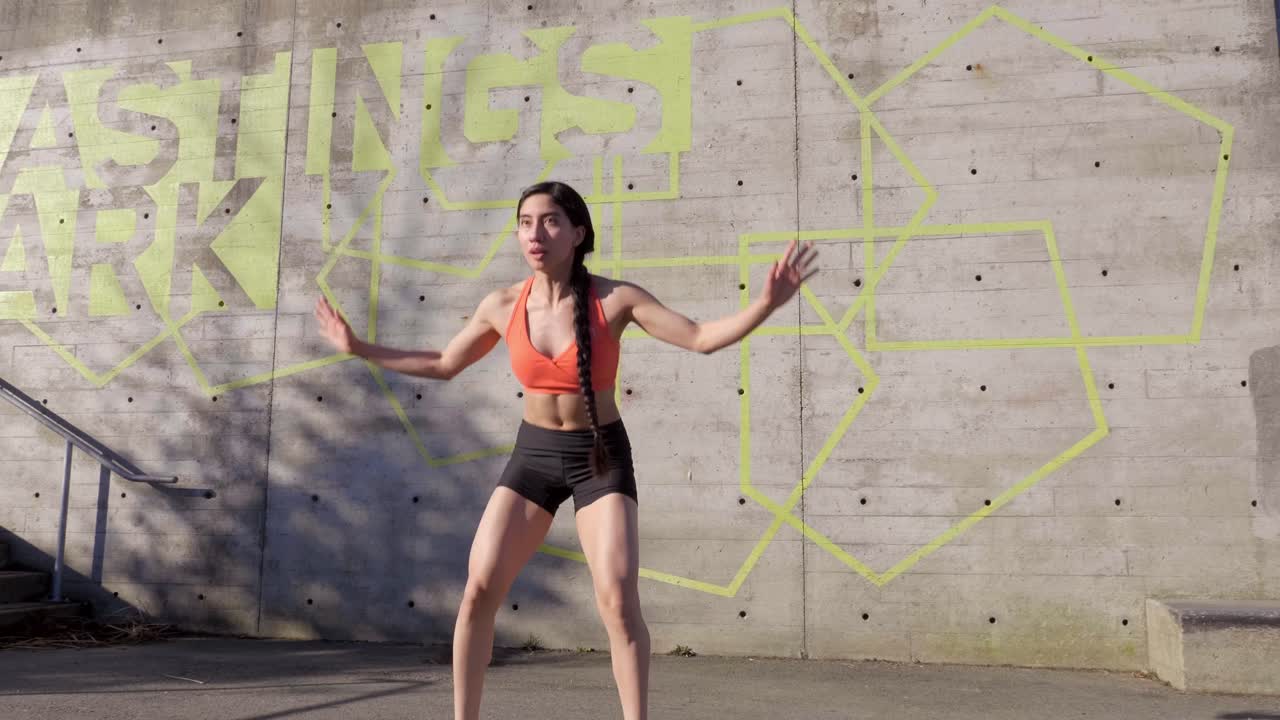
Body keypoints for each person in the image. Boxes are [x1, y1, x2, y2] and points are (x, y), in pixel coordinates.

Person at [314, 181, 817, 720]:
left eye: (551, 221)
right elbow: (443, 363)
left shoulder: (614, 300)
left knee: (619, 603)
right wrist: (358, 347)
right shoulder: (502, 304)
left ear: (578, 233)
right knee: (479, 589)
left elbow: (698, 337)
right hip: (533, 457)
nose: (537, 233)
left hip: (599, 457)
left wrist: (766, 302)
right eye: (527, 222)